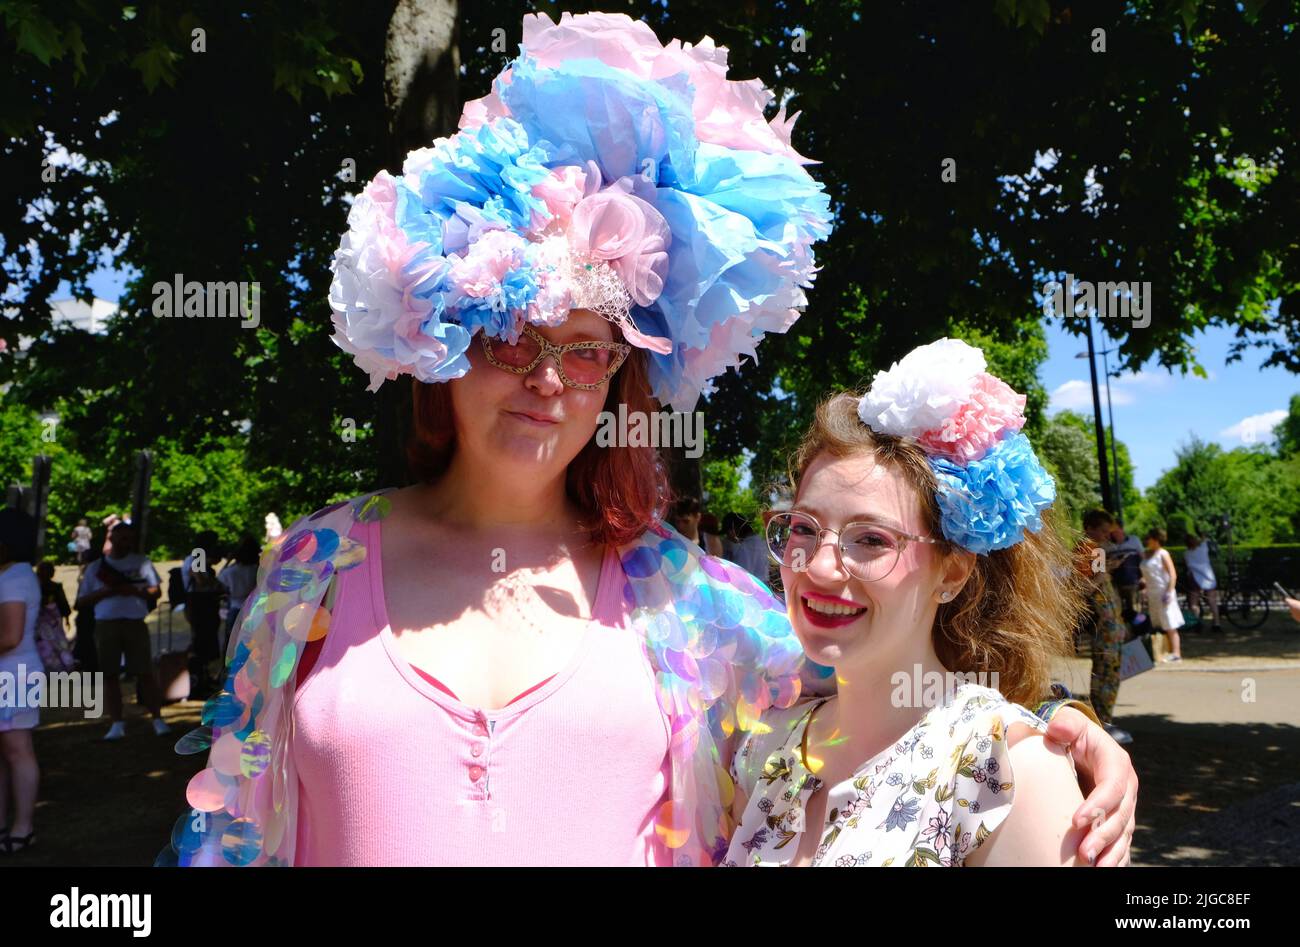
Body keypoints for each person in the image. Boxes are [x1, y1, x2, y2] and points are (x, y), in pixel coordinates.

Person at [165, 11, 1136, 868]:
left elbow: (887, 689)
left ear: (621, 378)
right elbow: (227, 827)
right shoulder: (315, 569)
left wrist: (1056, 730)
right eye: (513, 337)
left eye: (584, 351)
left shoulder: (692, 603)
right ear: (447, 341)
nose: (547, 381)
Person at [728, 341, 1108, 866]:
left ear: (951, 572)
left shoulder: (1007, 776)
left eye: (871, 540)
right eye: (802, 529)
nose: (815, 567)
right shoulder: (763, 750)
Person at [75, 522, 169, 739]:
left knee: (145, 672)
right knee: (110, 674)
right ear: (112, 540)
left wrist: (135, 591)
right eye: (123, 538)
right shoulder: (96, 568)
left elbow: (155, 591)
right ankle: (116, 723)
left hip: (135, 621)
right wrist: (107, 592)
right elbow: (80, 602)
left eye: (130, 539)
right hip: (106, 624)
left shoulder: (142, 562)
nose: (127, 543)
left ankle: (157, 719)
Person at [0, 508, 42, 854]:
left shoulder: (16, 577)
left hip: (15, 674)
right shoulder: (9, 574)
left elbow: (10, 636)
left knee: (17, 750)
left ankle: (22, 826)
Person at [1077, 509, 1131, 743]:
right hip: (1105, 622)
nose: (1106, 536)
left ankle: (1102, 719)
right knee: (1107, 672)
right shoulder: (1092, 549)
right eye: (1102, 531)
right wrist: (1107, 570)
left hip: (1107, 622)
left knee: (1106, 670)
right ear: (1090, 528)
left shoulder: (1089, 549)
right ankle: (1103, 721)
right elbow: (1086, 586)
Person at [181, 531, 226, 698]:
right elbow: (200, 580)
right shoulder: (198, 557)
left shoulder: (195, 557)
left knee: (204, 643)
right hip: (200, 605)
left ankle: (204, 678)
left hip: (202, 605)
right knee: (201, 644)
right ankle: (199, 680)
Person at [1141, 528, 1183, 662]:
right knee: (1158, 623)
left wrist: (1169, 592)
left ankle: (1176, 653)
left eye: (1150, 538)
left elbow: (1172, 574)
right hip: (1152, 593)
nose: (1147, 541)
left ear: (1155, 540)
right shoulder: (1147, 554)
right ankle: (1163, 651)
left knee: (1170, 623)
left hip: (1163, 592)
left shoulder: (1163, 553)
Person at [216, 536, 261, 651]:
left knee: (231, 644)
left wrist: (228, 562)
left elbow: (219, 581)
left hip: (235, 609)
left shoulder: (230, 572)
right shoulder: (257, 570)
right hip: (254, 610)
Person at [1183, 532, 1221, 632]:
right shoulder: (1203, 549)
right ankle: (1216, 624)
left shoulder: (1186, 554)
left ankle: (1196, 623)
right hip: (1208, 577)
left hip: (1194, 578)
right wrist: (1202, 535)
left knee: (1194, 604)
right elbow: (1205, 539)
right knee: (1212, 601)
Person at [1106, 521, 1143, 620]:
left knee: (1135, 610)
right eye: (1111, 530)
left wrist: (1143, 578)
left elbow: (1143, 559)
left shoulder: (1134, 540)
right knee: (1119, 612)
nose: (1113, 532)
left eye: (1115, 529)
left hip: (1133, 583)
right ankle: (1127, 633)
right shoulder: (1108, 545)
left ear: (1121, 529)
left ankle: (1141, 632)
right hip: (1115, 585)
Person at [722, 512, 769, 581]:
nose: (727, 537)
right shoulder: (760, 541)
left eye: (727, 533)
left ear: (732, 531)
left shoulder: (746, 547)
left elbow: (740, 576)